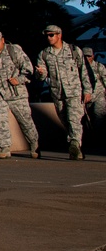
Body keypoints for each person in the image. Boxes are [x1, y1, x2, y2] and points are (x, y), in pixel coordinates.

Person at [0, 30, 39, 159]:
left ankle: (34, 144)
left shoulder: (14, 50)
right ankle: (4, 148)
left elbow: (28, 69)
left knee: (25, 121)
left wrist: (20, 79)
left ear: (3, 40)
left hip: (16, 93)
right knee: (0, 120)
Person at [35, 25, 91, 160]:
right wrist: (40, 73)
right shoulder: (44, 54)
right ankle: (76, 146)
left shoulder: (73, 51)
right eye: (47, 35)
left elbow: (84, 71)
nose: (49, 38)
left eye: (51, 35)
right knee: (65, 120)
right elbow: (41, 76)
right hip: (57, 93)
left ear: (59, 35)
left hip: (74, 92)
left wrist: (87, 90)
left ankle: (74, 144)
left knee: (74, 119)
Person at [82, 47, 106, 134]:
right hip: (85, 98)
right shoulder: (80, 69)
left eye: (89, 56)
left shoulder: (99, 67)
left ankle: (99, 138)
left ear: (93, 56)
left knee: (99, 116)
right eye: (85, 56)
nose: (87, 58)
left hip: (99, 96)